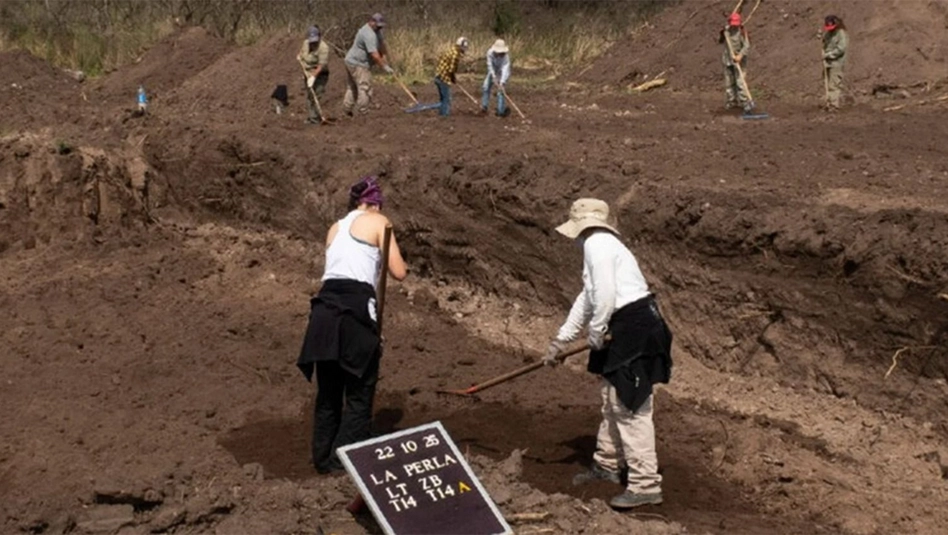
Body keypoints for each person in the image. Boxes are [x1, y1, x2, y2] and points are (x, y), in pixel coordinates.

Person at [543, 198, 673, 510]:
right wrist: (561, 340)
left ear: (580, 225)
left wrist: (596, 330)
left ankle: (645, 485)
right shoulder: (601, 245)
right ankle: (607, 463)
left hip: (635, 326)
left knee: (630, 404)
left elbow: (605, 294)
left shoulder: (597, 244)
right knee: (611, 397)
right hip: (626, 323)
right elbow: (587, 297)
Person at [297, 176, 408, 474]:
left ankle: (323, 459)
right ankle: (342, 463)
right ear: (373, 204)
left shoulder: (334, 228)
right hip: (353, 312)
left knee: (329, 392)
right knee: (360, 393)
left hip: (323, 312)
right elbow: (399, 271)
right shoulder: (379, 222)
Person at [343, 13, 395, 117]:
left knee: (352, 86)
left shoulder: (377, 31)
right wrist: (384, 67)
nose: (379, 27)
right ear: (371, 22)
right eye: (377, 25)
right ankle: (363, 113)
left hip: (351, 60)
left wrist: (385, 60)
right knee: (364, 87)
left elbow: (382, 45)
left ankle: (346, 110)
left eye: (381, 25)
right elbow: (374, 55)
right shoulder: (368, 34)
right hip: (358, 64)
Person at [719, 12, 752, 112]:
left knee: (740, 82)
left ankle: (745, 102)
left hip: (739, 60)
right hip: (728, 59)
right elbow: (720, 41)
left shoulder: (742, 31)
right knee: (729, 82)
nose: (734, 26)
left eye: (736, 24)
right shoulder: (726, 31)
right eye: (733, 24)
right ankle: (731, 102)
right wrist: (722, 33)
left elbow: (747, 46)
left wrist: (740, 56)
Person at [297, 25, 330, 124]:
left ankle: (315, 117)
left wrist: (313, 77)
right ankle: (312, 117)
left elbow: (321, 65)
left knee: (317, 94)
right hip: (307, 72)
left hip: (320, 74)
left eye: (315, 40)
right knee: (310, 95)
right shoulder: (306, 43)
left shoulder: (324, 48)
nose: (313, 43)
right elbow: (302, 53)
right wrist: (299, 57)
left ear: (319, 37)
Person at [434, 37, 468, 116]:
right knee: (447, 98)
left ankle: (442, 114)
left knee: (443, 98)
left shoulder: (451, 50)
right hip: (444, 78)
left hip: (438, 75)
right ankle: (445, 115)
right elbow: (451, 70)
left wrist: (453, 78)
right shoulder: (455, 54)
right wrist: (453, 78)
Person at [822, 15, 849, 111]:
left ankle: (834, 105)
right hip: (827, 63)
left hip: (836, 63)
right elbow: (824, 42)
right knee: (827, 83)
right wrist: (821, 37)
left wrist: (829, 54)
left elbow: (841, 48)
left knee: (834, 84)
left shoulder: (841, 33)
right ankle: (828, 103)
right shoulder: (828, 33)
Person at [481, 39, 511, 117]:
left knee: (500, 91)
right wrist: (493, 76)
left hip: (501, 72)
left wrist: (502, 82)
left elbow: (505, 70)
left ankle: (500, 111)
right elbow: (489, 65)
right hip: (493, 70)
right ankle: (484, 106)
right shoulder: (490, 53)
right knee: (485, 86)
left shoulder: (506, 58)